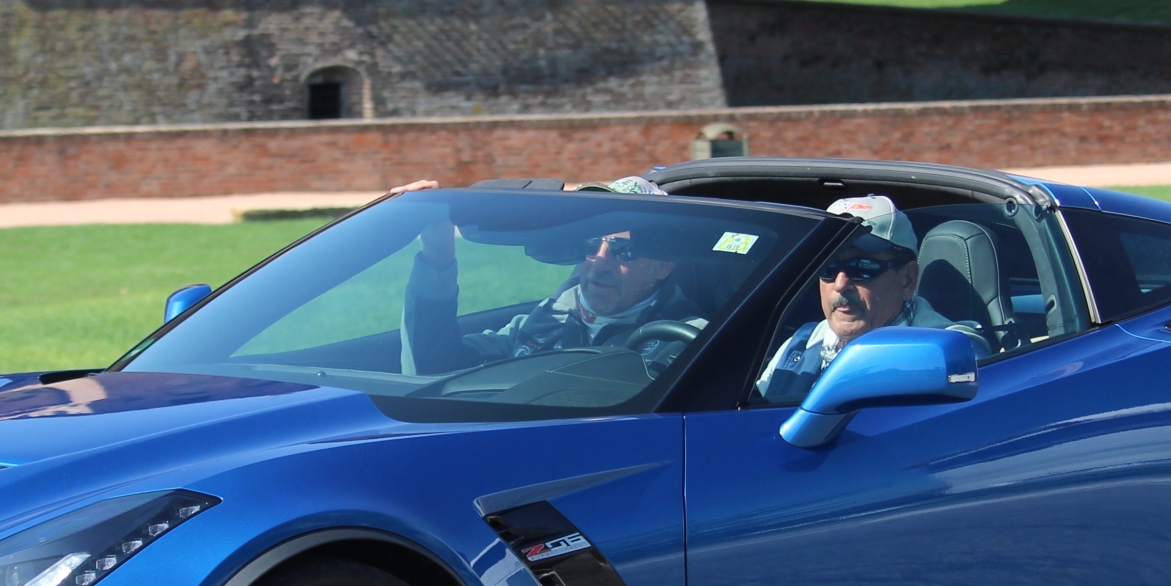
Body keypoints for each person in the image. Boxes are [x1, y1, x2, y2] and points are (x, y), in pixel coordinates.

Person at [401, 211, 707, 376]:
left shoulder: (691, 341)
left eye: (623, 250)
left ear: (663, 265)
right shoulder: (540, 321)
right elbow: (438, 364)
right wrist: (437, 256)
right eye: (590, 245)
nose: (599, 261)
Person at [755, 196, 954, 406]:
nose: (840, 284)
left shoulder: (949, 354)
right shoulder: (800, 344)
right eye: (827, 267)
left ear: (907, 279)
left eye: (862, 266)